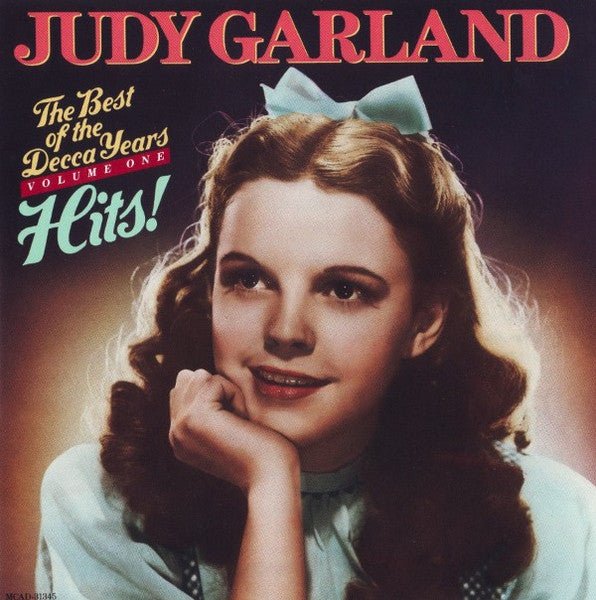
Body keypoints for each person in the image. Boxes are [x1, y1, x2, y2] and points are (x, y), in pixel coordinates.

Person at [36, 69, 596, 599]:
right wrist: (269, 480)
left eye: (343, 290)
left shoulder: (553, 519)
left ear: (423, 322)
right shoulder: (101, 506)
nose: (285, 331)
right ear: (210, 291)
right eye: (249, 280)